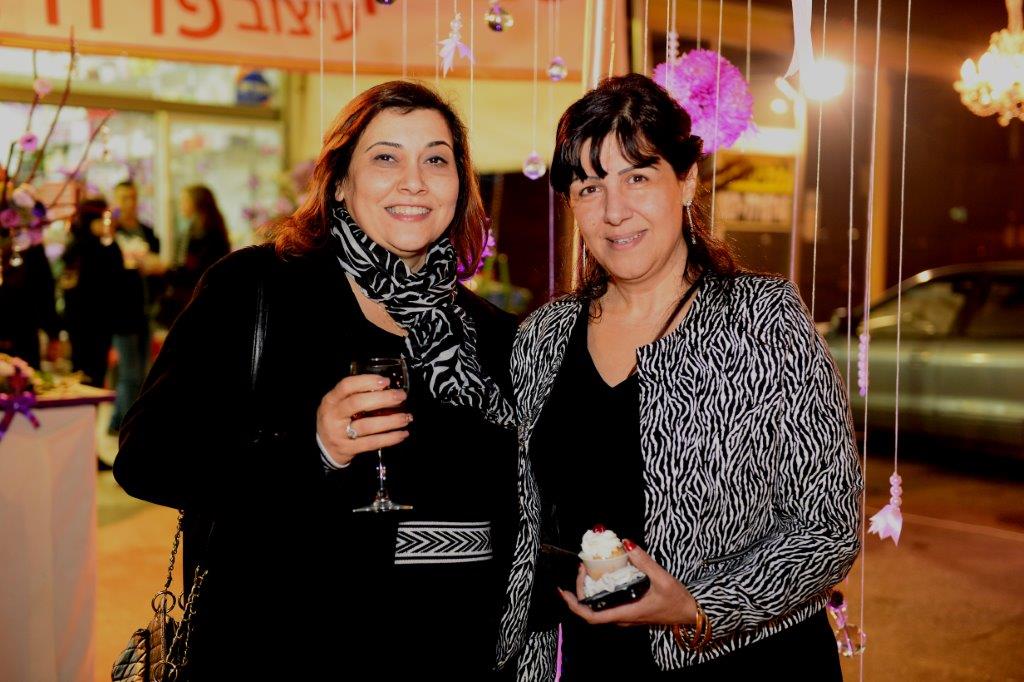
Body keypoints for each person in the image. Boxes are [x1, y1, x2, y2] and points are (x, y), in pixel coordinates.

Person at [114, 81, 518, 680]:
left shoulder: (489, 333)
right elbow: (148, 459)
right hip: (280, 645)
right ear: (339, 182)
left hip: (444, 650)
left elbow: (510, 515)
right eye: (386, 158)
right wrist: (315, 450)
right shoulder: (254, 290)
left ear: (460, 185)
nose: (414, 181)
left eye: (436, 160)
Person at [497, 74, 862, 680]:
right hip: (593, 662)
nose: (615, 210)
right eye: (590, 187)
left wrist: (696, 604)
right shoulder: (543, 337)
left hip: (746, 660)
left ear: (687, 180)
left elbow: (828, 529)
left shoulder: (762, 319)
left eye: (638, 177)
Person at [108, 180, 161, 434]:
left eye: (133, 197)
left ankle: (118, 421)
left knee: (142, 373)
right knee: (130, 374)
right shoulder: (111, 234)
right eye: (124, 198)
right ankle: (128, 428)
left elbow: (157, 267)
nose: (129, 203)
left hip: (144, 309)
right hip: (121, 312)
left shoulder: (147, 232)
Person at [61, 197, 122, 387]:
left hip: (100, 322)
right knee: (83, 374)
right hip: (83, 322)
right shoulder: (78, 248)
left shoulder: (106, 245)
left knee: (96, 373)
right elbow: (69, 286)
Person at [155, 185, 230, 327]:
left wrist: (165, 270)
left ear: (196, 203)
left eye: (184, 201)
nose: (181, 205)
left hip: (199, 297)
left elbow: (193, 271)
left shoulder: (202, 234)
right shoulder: (206, 229)